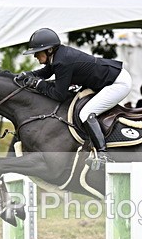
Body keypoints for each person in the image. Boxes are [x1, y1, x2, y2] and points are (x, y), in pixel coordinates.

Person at [16, 28, 132, 169]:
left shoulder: (62, 61)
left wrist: (38, 84)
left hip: (118, 83)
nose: (35, 56)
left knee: (86, 113)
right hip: (108, 79)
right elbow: (45, 72)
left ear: (49, 50)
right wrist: (27, 74)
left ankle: (103, 154)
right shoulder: (58, 56)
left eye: (37, 52)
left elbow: (59, 95)